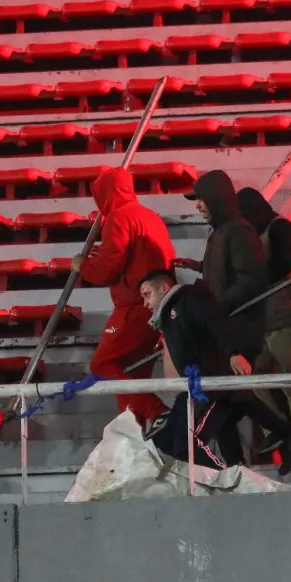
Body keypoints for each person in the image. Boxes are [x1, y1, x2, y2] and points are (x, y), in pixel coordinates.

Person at [185, 170, 291, 464]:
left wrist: (215, 308)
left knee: (227, 396)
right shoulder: (219, 233)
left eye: (200, 199)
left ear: (215, 198)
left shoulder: (238, 231)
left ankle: (286, 436)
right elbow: (221, 281)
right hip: (224, 328)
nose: (197, 206)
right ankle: (238, 466)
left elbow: (251, 280)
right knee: (225, 400)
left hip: (240, 329)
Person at [139, 269, 291, 476]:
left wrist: (233, 352)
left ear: (165, 288)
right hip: (197, 388)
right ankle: (277, 443)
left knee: (189, 442)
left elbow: (215, 322)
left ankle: (227, 478)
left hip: (211, 386)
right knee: (170, 441)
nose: (145, 303)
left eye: (147, 294)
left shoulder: (189, 299)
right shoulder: (168, 319)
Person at [71, 167, 175, 429]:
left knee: (102, 364)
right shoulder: (150, 217)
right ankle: (133, 442)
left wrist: (81, 264)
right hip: (159, 304)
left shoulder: (118, 218)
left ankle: (159, 412)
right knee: (129, 381)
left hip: (134, 307)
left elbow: (107, 270)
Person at [236, 188, 291, 459]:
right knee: (253, 378)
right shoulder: (257, 232)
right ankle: (282, 431)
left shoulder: (281, 227)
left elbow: (282, 264)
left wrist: (246, 283)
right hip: (267, 320)